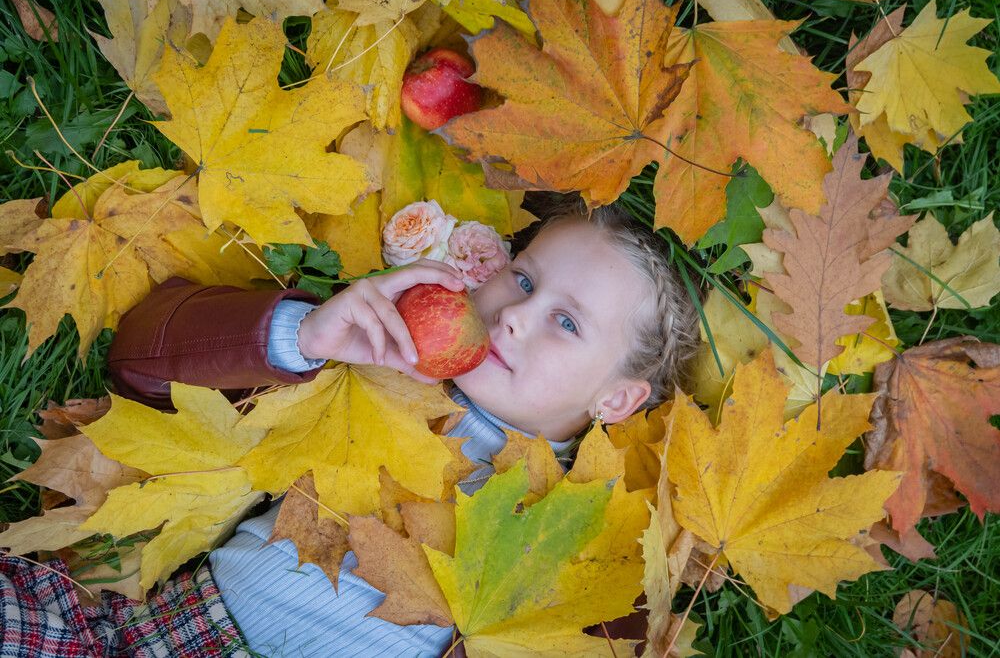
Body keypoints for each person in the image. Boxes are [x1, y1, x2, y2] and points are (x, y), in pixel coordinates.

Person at [0, 202, 699, 657]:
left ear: (619, 398)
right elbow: (142, 358)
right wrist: (303, 336)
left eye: (567, 321)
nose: (518, 313)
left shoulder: (583, 534)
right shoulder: (372, 363)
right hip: (138, 636)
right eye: (523, 279)